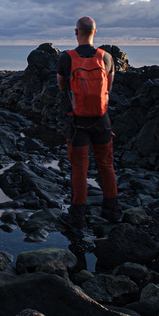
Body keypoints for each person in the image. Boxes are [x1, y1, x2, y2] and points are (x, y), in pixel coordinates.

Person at [57, 15, 121, 225]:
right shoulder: (106, 57)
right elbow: (108, 89)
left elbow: (62, 88)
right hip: (102, 119)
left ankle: (77, 217)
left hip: (77, 122)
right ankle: (111, 212)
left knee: (79, 168)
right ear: (95, 31)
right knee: (106, 164)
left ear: (76, 32)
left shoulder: (66, 58)